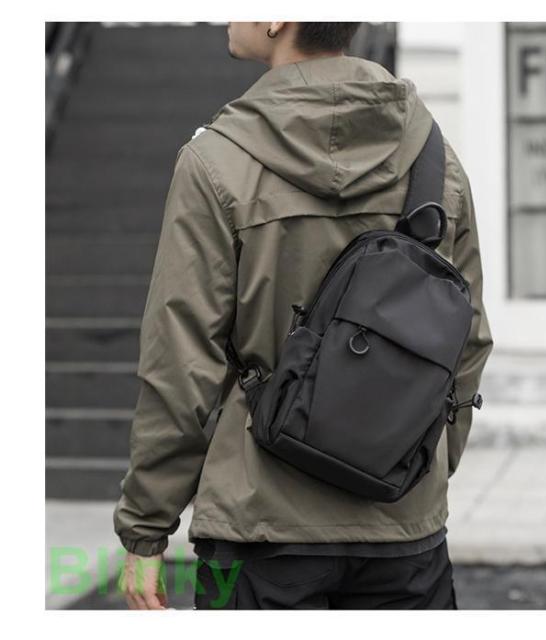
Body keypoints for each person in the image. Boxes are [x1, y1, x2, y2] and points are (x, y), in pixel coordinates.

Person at [114, 21, 493, 610]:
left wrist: (145, 527)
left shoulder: (216, 162)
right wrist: (417, 459)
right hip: (403, 530)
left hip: (259, 523)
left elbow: (181, 361)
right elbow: (466, 339)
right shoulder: (433, 158)